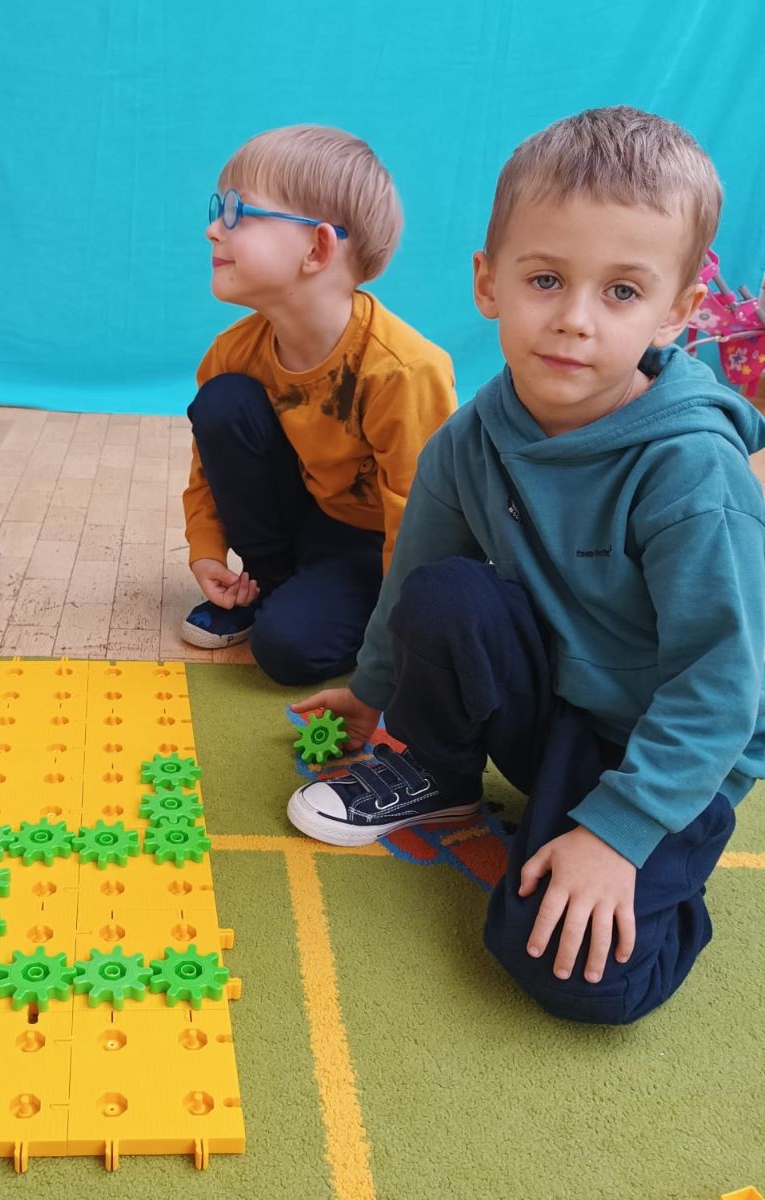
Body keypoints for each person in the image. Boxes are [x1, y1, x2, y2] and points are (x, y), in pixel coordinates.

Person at [289, 106, 765, 1025]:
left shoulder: (692, 474)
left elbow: (721, 693)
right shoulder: (471, 436)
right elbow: (415, 583)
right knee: (447, 593)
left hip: (673, 754)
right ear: (489, 282)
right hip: (556, 711)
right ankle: (441, 778)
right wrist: (374, 691)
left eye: (622, 292)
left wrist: (618, 837)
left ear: (676, 312)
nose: (574, 321)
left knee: (575, 976)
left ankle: (665, 887)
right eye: (546, 279)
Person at [179, 125, 457, 684]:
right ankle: (269, 582)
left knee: (288, 650)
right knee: (223, 403)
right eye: (217, 209)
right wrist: (206, 550)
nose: (213, 228)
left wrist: (399, 634)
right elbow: (210, 465)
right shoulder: (232, 353)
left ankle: (330, 604)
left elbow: (421, 518)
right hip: (307, 513)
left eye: (237, 212)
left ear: (318, 248)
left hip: (377, 544)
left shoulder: (403, 371)